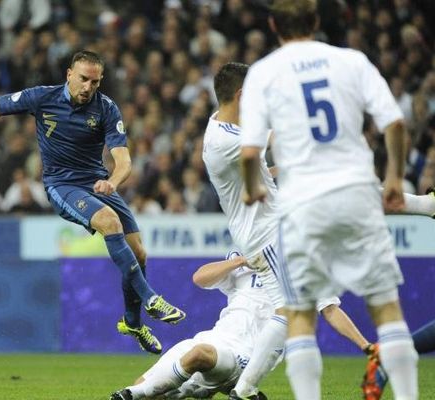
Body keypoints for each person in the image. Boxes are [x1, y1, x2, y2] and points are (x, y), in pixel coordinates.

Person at [0, 50, 186, 354]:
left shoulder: (106, 109)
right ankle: (151, 299)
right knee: (109, 222)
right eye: (83, 79)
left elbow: (124, 160)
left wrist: (113, 183)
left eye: (95, 81)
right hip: (62, 185)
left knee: (140, 253)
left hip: (99, 185)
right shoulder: (42, 98)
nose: (88, 87)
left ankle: (132, 322)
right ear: (69, 74)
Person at [239, 1, 418, 399]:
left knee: (301, 316)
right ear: (316, 23)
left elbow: (250, 153)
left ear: (272, 25)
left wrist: (254, 188)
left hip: (302, 203)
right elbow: (395, 123)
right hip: (357, 192)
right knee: (387, 310)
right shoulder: (351, 61)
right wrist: (392, 178)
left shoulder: (265, 73)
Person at [109, 251, 376, 400]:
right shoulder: (250, 259)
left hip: (247, 358)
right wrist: (241, 260)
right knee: (149, 390)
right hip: (213, 337)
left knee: (198, 355)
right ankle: (143, 391)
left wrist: (366, 346)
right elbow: (199, 278)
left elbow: (330, 310)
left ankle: (130, 394)